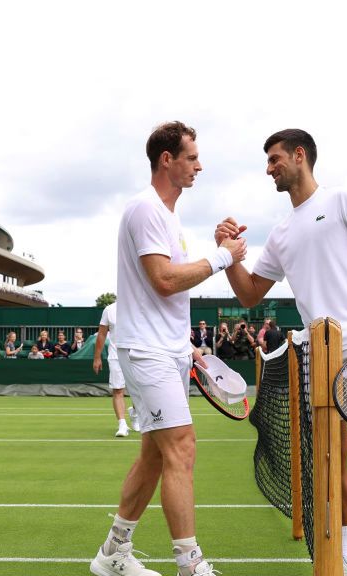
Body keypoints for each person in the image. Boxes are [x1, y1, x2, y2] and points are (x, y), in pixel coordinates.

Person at [214, 128, 347, 576]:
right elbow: (251, 294)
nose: (269, 168)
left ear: (299, 155)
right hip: (317, 357)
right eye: (267, 162)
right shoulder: (280, 233)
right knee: (332, 460)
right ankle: (345, 559)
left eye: (274, 159)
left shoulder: (344, 199)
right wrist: (228, 257)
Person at [90, 121, 246, 576]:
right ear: (167, 160)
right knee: (182, 446)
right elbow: (163, 281)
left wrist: (191, 348)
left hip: (170, 351)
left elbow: (172, 292)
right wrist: (222, 257)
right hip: (147, 353)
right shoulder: (144, 210)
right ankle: (190, 564)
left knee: (155, 455)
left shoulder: (168, 217)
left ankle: (113, 552)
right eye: (192, 157)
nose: (199, 165)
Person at [94, 301, 137, 437]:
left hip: (139, 355)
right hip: (116, 355)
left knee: (140, 391)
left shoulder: (142, 306)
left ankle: (135, 413)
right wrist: (97, 357)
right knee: (118, 390)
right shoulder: (109, 309)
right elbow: (101, 334)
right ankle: (122, 424)